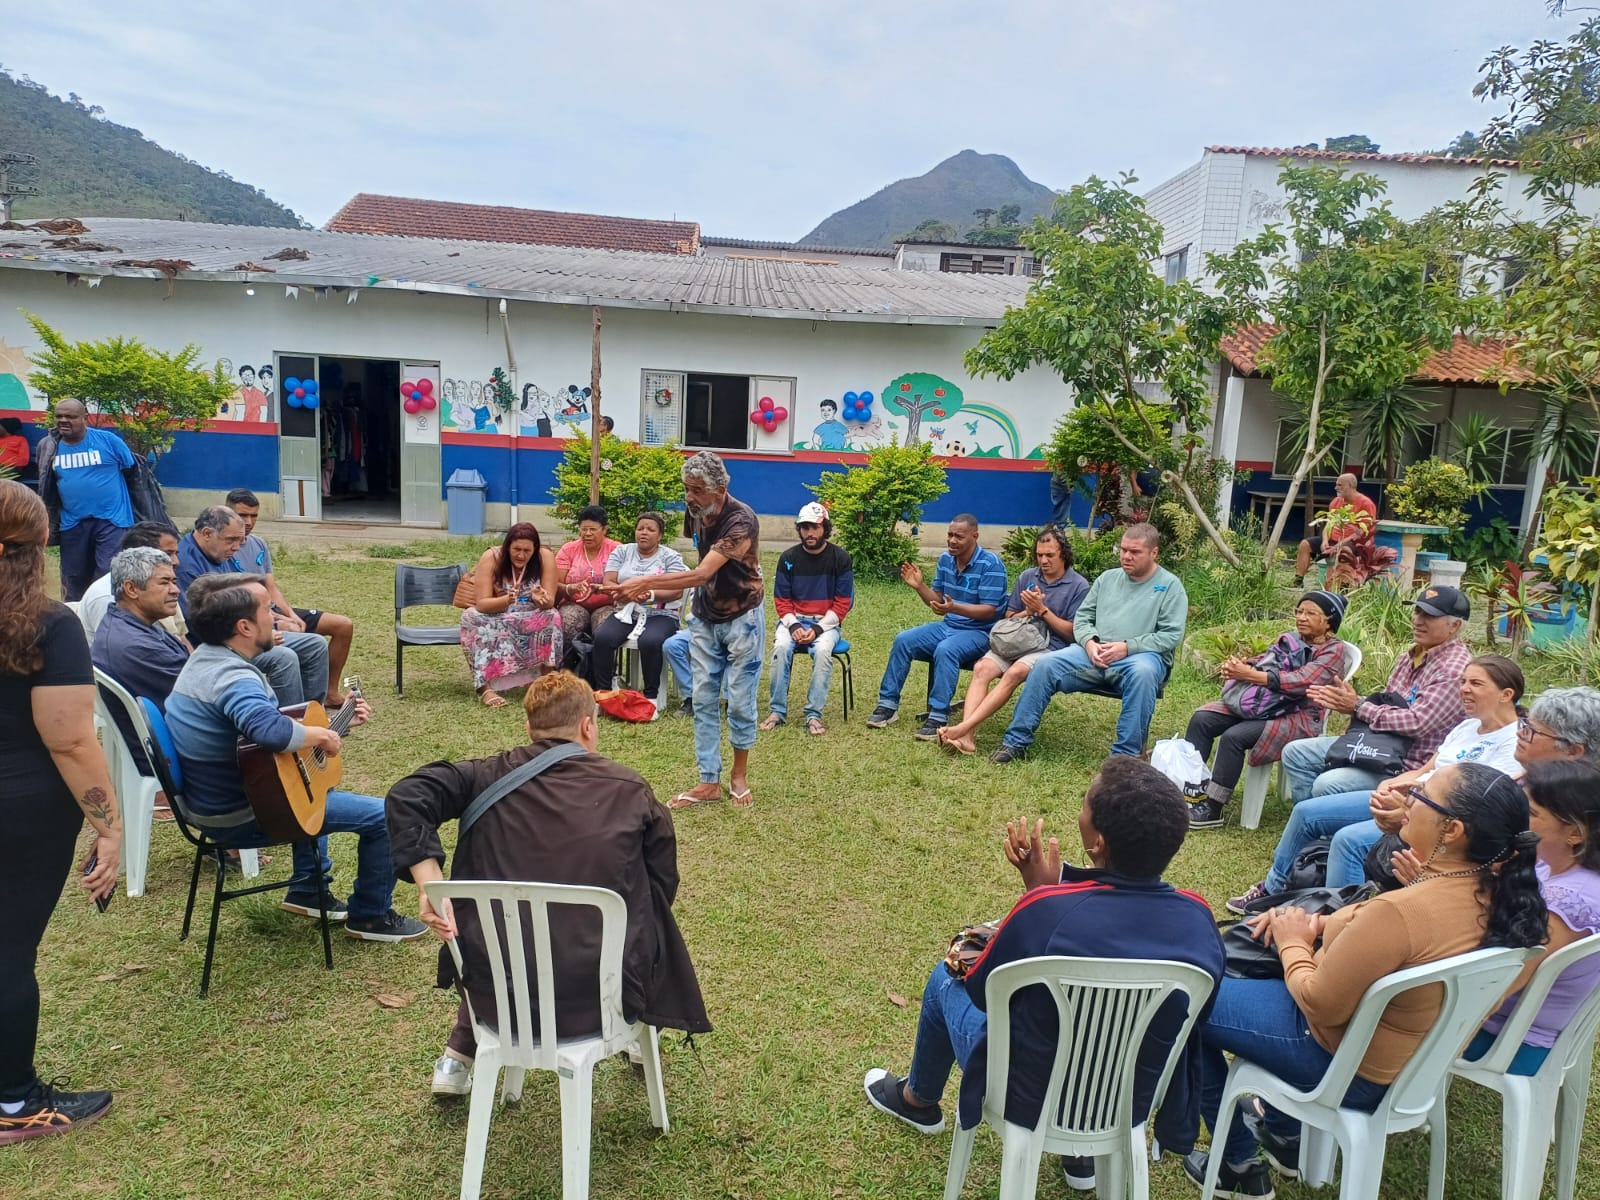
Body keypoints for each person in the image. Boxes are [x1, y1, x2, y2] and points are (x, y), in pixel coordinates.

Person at [861, 757, 1225, 1191]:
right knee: (1101, 1030)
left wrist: (1042, 893)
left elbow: (983, 992)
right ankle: (1081, 1153)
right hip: (1123, 1101)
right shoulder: (1200, 921)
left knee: (945, 982)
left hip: (1028, 1095)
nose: (1081, 809)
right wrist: (1054, 889)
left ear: (1097, 843)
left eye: (1086, 802)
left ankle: (917, 1099)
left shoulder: (1046, 912)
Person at [1188, 762, 1549, 1195]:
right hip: (1409, 1068)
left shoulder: (1402, 913)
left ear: (1452, 831)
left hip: (1342, 1064)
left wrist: (1292, 941)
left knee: (1187, 996)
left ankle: (1237, 1164)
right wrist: (1323, 927)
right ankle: (1284, 1134)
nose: (1407, 799)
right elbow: (1404, 933)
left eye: (1422, 796)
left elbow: (1320, 1004)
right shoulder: (1506, 903)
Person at [386, 671, 711, 1095]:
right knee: (645, 916)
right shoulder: (629, 790)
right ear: (588, 726)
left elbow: (407, 795)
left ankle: (460, 1049)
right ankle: (641, 1025)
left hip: (498, 1000)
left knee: (511, 940)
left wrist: (428, 881)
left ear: (529, 728)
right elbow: (661, 888)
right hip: (599, 1001)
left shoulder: (484, 776)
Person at [164, 574, 426, 940]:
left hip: (227, 797)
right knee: (385, 815)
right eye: (265, 610)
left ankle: (307, 889)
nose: (275, 616)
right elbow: (269, 733)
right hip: (242, 814)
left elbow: (268, 750)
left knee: (310, 790)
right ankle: (370, 916)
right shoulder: (231, 677)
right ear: (243, 626)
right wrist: (319, 733)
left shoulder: (206, 662)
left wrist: (339, 724)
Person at [0, 481, 120, 1143]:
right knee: (9, 951)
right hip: (22, 811)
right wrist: (111, 827)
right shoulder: (48, 622)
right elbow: (70, 737)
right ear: (42, 543)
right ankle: (15, 1103)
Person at [1231, 654, 1526, 913]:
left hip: (1436, 819)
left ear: (1506, 694)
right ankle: (1274, 890)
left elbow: (1476, 806)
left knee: (1348, 841)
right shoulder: (1466, 726)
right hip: (1410, 797)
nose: (1463, 689)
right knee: (1307, 812)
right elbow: (1426, 769)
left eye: (1476, 683)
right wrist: (1392, 785)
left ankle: (1342, 920)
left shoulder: (1513, 743)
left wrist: (1409, 802)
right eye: (1463, 681)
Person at [608, 451, 763, 809]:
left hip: (743, 617)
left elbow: (701, 573)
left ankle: (738, 776)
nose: (689, 498)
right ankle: (708, 781)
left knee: (739, 702)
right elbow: (699, 560)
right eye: (686, 489)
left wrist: (647, 580)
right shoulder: (695, 513)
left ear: (720, 489)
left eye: (697, 490)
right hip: (706, 616)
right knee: (704, 699)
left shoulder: (742, 521)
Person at [989, 523, 1187, 764]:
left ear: (1154, 553)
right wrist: (1090, 642)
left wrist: (1127, 647)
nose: (1126, 556)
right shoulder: (1107, 579)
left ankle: (1123, 758)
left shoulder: (1170, 586)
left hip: (1139, 657)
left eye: (1135, 552)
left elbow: (1170, 635)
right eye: (1123, 549)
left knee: (1144, 673)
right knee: (1045, 665)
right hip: (1093, 653)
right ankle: (1015, 742)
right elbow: (1082, 618)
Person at [1463, 758, 1600, 1075]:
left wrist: (1439, 1033)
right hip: (1509, 1024)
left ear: (1575, 833)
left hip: (1510, 1039)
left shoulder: (1570, 900)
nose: (1519, 820)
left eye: (1532, 814)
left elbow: (1504, 979)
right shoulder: (1549, 864)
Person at [1278, 586, 1473, 802]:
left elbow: (1415, 723)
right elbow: (1389, 702)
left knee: (1328, 784)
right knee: (1295, 753)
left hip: (1408, 764)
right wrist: (1354, 704)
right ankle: (1313, 820)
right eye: (1417, 612)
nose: (1418, 620)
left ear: (1454, 626)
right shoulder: (1410, 657)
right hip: (1380, 745)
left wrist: (1358, 706)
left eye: (1429, 616)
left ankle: (1326, 825)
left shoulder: (1453, 670)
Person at [1182, 592, 1349, 830]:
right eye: (1299, 611)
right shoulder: (1290, 639)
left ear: (1329, 622)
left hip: (1298, 715)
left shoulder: (1334, 651)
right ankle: (1190, 791)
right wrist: (1242, 665)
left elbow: (1302, 681)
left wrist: (1250, 675)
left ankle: (1213, 807)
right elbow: (1265, 660)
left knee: (1235, 737)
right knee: (1203, 719)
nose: (1302, 618)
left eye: (1311, 613)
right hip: (1266, 703)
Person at [936, 528, 1088, 756]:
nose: (1043, 561)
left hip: (1050, 646)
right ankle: (966, 738)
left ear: (1063, 555)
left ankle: (962, 728)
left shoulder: (1079, 586)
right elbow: (1009, 616)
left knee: (1015, 672)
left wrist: (1043, 611)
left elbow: (1073, 634)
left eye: (1050, 555)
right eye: (1039, 555)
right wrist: (1027, 611)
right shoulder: (1028, 576)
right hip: (1016, 639)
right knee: (982, 668)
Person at [866, 515, 1007, 741]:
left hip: (980, 633)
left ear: (975, 536)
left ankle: (938, 716)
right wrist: (919, 586)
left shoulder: (991, 564)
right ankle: (887, 706)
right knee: (904, 639)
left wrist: (955, 608)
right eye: (950, 535)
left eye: (959, 537)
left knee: (946, 649)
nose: (952, 541)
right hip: (949, 626)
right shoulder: (945, 560)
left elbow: (991, 610)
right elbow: (938, 601)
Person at [176, 505, 329, 708]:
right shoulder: (186, 566)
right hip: (217, 644)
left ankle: (314, 718)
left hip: (246, 631)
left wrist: (277, 619)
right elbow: (203, 624)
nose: (237, 548)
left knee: (315, 645)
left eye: (240, 541)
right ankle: (291, 726)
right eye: (231, 540)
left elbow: (246, 597)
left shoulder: (219, 554)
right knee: (284, 658)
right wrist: (262, 634)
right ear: (206, 533)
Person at [226, 488, 356, 706]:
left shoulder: (259, 544)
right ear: (227, 514)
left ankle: (330, 693)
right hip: (255, 616)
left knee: (343, 625)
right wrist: (276, 623)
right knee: (299, 648)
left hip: (271, 609)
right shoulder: (226, 549)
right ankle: (298, 716)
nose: (248, 522)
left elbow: (271, 586)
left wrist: (290, 614)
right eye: (242, 515)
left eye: (254, 515)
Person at [762, 502, 854, 736]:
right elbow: (781, 599)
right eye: (804, 528)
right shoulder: (788, 558)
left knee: (823, 651)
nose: (809, 533)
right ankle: (777, 711)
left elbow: (843, 603)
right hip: (792, 620)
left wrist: (817, 628)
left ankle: (813, 715)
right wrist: (793, 625)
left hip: (826, 622)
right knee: (781, 647)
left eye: (814, 527)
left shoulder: (840, 558)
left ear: (825, 528)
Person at [36, 398, 137, 601]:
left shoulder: (108, 441)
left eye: (70, 416)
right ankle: (75, 623)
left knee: (108, 575)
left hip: (112, 520)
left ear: (85, 418)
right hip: (73, 522)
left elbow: (132, 471)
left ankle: (106, 622)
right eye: (59, 416)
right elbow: (48, 484)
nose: (64, 420)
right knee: (73, 579)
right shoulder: (48, 447)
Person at [459, 523, 562, 708]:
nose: (521, 555)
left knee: (551, 615)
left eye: (527, 551)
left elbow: (550, 601)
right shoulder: (492, 557)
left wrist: (542, 599)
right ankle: (485, 688)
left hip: (530, 614)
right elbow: (482, 604)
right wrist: (507, 600)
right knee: (470, 617)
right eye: (516, 549)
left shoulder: (545, 556)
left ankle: (546, 679)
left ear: (535, 550)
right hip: (498, 614)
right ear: (507, 547)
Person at [588, 512, 687, 705]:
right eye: (640, 528)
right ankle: (605, 693)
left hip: (662, 614)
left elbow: (676, 591)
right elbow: (609, 581)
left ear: (660, 535)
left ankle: (651, 697)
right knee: (602, 637)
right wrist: (624, 593)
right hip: (627, 611)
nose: (644, 533)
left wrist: (649, 595)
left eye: (650, 530)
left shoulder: (671, 557)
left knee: (650, 640)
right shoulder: (622, 552)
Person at [77, 521, 184, 640]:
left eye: (176, 553)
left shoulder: (164, 585)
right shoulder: (107, 597)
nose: (176, 561)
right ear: (138, 554)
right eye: (168, 553)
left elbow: (181, 637)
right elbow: (117, 650)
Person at [555, 505, 621, 666]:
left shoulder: (617, 549)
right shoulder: (568, 549)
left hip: (606, 604)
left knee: (604, 629)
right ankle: (568, 671)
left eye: (593, 529)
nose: (587, 534)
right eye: (584, 529)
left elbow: (624, 583)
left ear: (604, 529)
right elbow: (556, 583)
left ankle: (601, 677)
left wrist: (602, 589)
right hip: (573, 603)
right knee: (568, 622)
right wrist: (570, 588)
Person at [1294, 472, 1377, 587]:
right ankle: (1298, 582)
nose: (1336, 488)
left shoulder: (1366, 504)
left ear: (1351, 486)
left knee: (1344, 551)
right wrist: (1325, 541)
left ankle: (1342, 587)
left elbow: (1361, 533)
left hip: (1355, 543)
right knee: (1305, 544)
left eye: (1340, 485)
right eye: (1336, 485)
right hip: (1334, 540)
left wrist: (1339, 545)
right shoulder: (1336, 502)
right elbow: (1329, 525)